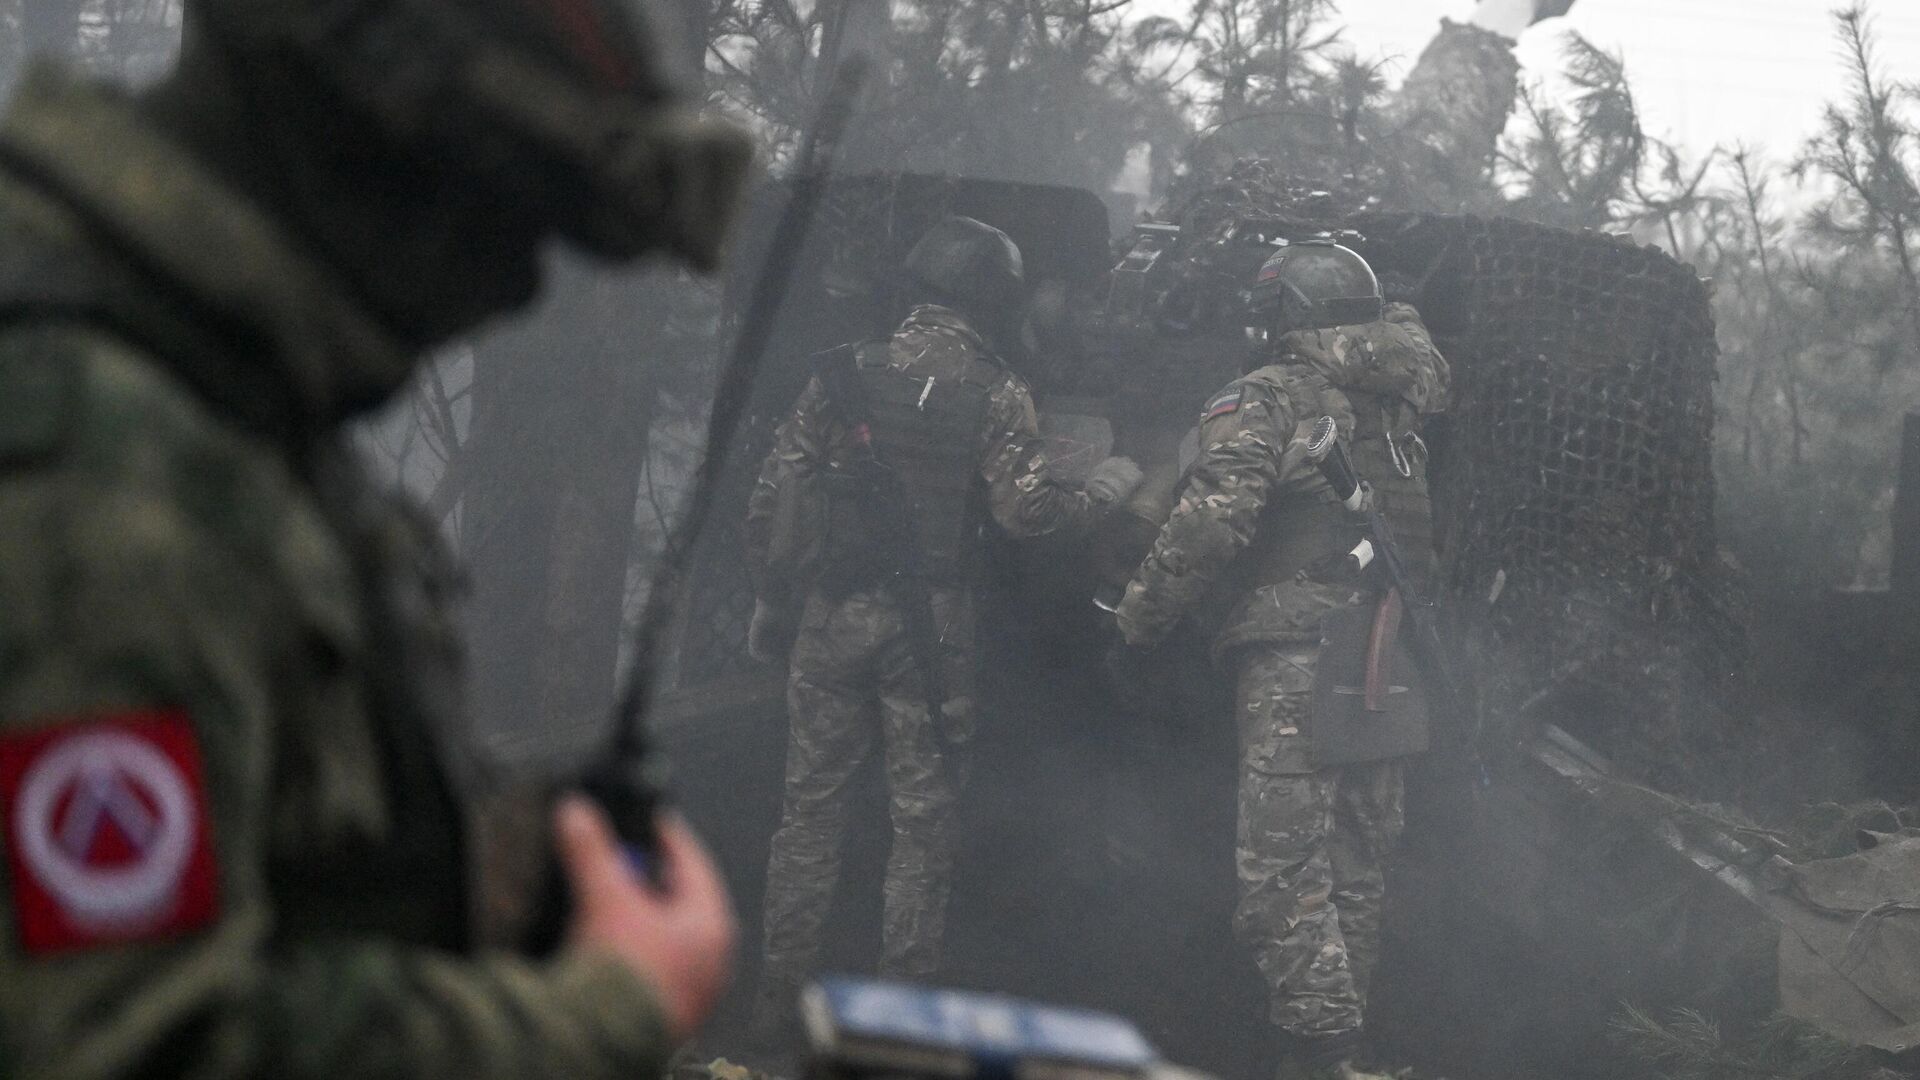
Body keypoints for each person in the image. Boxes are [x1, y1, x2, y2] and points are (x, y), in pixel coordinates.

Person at [0, 1, 751, 1076]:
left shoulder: (205, 387)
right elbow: (144, 1047)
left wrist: (490, 870)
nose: (514, 282)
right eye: (502, 208)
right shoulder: (99, 455)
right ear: (372, 134)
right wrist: (605, 1013)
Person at [742, 215, 1145, 1039]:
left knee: (808, 815)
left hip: (832, 614)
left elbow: (774, 496)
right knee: (922, 827)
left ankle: (772, 1013)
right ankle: (897, 1027)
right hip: (933, 625)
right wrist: (1108, 486)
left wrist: (775, 600)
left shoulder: (842, 373)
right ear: (993, 298)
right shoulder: (998, 390)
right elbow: (1027, 515)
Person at [1111, 242, 1450, 1080]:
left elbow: (1208, 524)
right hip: (1389, 662)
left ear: (1282, 315)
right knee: (1354, 880)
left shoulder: (1270, 397)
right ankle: (1345, 1051)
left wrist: (1137, 620)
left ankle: (1326, 1065)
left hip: (1299, 659)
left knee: (1280, 894)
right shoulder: (1402, 404)